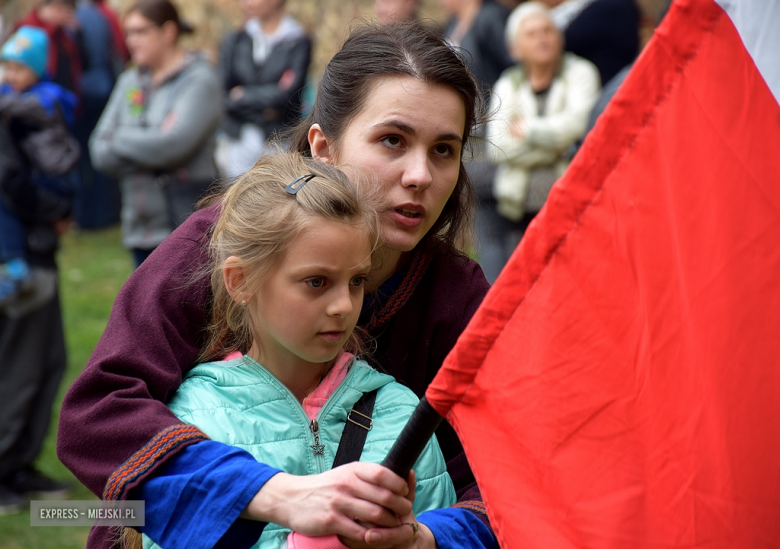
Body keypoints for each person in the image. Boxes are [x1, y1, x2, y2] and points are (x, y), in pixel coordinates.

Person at [59, 22, 497, 549]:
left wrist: (424, 538)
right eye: (392, 140)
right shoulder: (226, 245)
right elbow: (98, 413)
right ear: (323, 147)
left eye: (444, 150)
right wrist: (271, 493)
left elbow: (506, 476)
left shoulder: (456, 295)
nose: (420, 175)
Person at [130, 152, 456, 548]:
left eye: (356, 281)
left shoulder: (399, 412)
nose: (343, 305)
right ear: (241, 280)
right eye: (317, 282)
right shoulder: (193, 420)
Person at [0, 26, 75, 516]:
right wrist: (54, 209)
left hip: (39, 249)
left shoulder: (36, 111)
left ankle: (21, 463)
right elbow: (8, 186)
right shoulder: (9, 115)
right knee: (18, 368)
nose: (11, 76)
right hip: (18, 257)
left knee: (48, 361)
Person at [89, 0, 222, 267]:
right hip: (138, 227)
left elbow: (173, 145)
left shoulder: (199, 80)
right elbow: (97, 149)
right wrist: (148, 143)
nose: (131, 41)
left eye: (141, 32)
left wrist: (119, 137)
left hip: (187, 230)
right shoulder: (129, 81)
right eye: (128, 33)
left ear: (169, 31)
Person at [482, 1, 600, 279]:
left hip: (570, 206)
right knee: (524, 282)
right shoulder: (508, 83)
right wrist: (558, 148)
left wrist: (529, 132)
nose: (542, 38)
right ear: (515, 48)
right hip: (518, 208)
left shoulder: (580, 73)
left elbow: (578, 125)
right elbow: (497, 147)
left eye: (548, 30)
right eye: (532, 34)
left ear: (560, 37)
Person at [0, 26, 79, 304]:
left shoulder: (46, 98)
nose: (11, 76)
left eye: (18, 69)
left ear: (36, 69)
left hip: (56, 177)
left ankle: (15, 264)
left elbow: (12, 106)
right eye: (7, 68)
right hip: (41, 174)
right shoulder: (20, 91)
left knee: (5, 202)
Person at [215, 0, 311, 179]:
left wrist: (242, 94)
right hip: (237, 141)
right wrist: (263, 110)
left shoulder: (297, 41)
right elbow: (222, 92)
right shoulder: (236, 40)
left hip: (279, 142)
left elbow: (288, 94)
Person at [72, 0, 129, 230]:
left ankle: (90, 216)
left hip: (86, 94)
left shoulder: (83, 16)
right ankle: (105, 213)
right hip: (103, 87)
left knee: (86, 158)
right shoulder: (104, 15)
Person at [15, 0, 84, 98]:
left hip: (64, 92)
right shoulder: (27, 27)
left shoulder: (62, 32)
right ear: (56, 7)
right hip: (40, 96)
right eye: (67, 11)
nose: (68, 15)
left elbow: (76, 59)